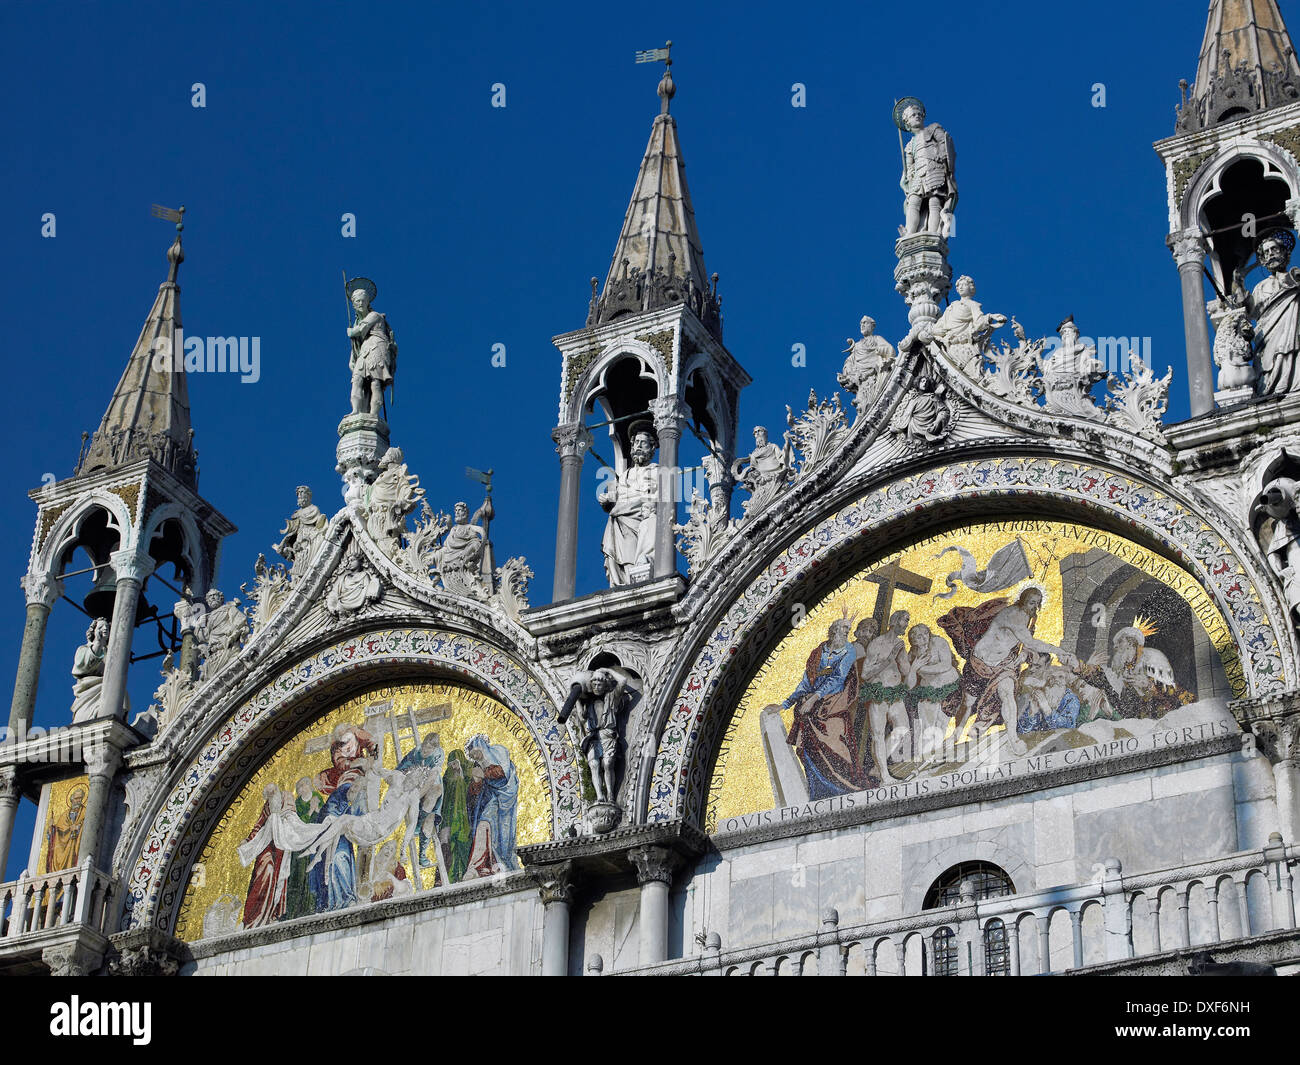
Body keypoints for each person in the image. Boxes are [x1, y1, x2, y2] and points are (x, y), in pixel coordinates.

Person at [938, 587, 1078, 755]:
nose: (1034, 605)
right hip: (980, 663)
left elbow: (1025, 643)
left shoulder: (1029, 617)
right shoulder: (1013, 615)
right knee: (967, 702)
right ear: (1022, 600)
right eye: (1031, 602)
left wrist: (1023, 655)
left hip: (1003, 664)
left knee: (1007, 694)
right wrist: (1058, 650)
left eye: (1037, 603)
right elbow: (1031, 641)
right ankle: (955, 735)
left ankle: (1014, 739)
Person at [782, 618, 864, 797]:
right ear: (833, 630)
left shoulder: (848, 650)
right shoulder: (818, 651)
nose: (846, 632)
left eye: (848, 630)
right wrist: (785, 704)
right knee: (808, 745)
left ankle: (845, 786)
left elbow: (839, 678)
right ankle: (818, 790)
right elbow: (806, 681)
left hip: (833, 701)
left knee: (835, 738)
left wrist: (815, 698)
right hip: (812, 702)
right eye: (843, 628)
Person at [856, 610, 916, 783]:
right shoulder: (877, 643)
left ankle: (877, 767)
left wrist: (912, 662)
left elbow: (905, 670)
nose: (906, 624)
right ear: (895, 621)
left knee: (903, 728)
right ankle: (884, 776)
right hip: (878, 694)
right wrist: (889, 659)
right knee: (878, 734)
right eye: (905, 620)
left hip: (895, 693)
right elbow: (866, 673)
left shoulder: (900, 644)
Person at [558, 669, 632, 804]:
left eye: (600, 684)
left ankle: (610, 795)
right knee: (594, 764)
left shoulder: (612, 698)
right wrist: (578, 698)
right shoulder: (587, 702)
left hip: (607, 735)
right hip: (593, 737)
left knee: (608, 763)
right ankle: (599, 796)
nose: (597, 687)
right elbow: (581, 717)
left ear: (605, 686)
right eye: (594, 684)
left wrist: (607, 671)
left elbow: (622, 681)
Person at [599, 426, 660, 585]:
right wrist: (607, 499)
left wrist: (620, 505)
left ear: (652, 447)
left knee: (639, 542)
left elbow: (653, 497)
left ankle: (637, 575)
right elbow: (617, 494)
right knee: (622, 551)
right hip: (621, 520)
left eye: (643, 443)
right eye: (636, 443)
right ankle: (624, 581)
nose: (638, 446)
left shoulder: (656, 471)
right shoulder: (626, 474)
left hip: (639, 517)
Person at [1246, 231, 1300, 396]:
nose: (1271, 254)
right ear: (1263, 260)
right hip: (1268, 337)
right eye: (1267, 252)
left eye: (1274, 249)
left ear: (1284, 253)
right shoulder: (1260, 287)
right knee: (1270, 362)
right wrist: (1239, 287)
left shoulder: (1296, 276)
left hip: (1294, 327)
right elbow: (1250, 311)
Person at [897, 98, 957, 237]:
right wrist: (909, 176)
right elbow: (909, 166)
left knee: (934, 202)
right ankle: (910, 232)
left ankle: (932, 233)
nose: (917, 116)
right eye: (913, 115)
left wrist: (943, 157)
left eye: (919, 114)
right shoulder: (909, 145)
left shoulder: (933, 129)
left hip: (934, 170)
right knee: (913, 201)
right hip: (918, 176)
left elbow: (944, 142)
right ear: (907, 123)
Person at [462, 735, 520, 878]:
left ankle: (500, 864)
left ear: (481, 745)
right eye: (472, 755)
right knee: (483, 824)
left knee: (504, 836)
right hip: (492, 800)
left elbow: (504, 773)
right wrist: (475, 782)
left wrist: (484, 774)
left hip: (507, 799)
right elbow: (475, 792)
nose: (475, 756)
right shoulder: (478, 765)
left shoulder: (499, 751)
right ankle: (477, 866)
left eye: (476, 752)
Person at [929, 276, 1007, 376]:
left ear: (971, 288)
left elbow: (979, 323)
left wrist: (991, 317)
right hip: (949, 347)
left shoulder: (973, 305)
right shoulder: (953, 306)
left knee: (972, 376)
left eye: (964, 285)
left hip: (964, 349)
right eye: (959, 285)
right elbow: (940, 326)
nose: (961, 287)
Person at [906, 624, 961, 750]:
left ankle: (935, 754)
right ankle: (926, 756)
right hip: (929, 690)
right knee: (927, 725)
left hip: (949, 687)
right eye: (919, 636)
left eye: (925, 633)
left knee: (942, 721)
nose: (924, 637)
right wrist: (913, 669)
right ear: (913, 640)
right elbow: (909, 684)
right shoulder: (912, 654)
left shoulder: (939, 642)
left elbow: (946, 665)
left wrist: (921, 668)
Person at [346, 277, 396, 416]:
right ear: (354, 305)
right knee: (357, 380)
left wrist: (350, 331)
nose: (361, 303)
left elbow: (361, 330)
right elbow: (357, 344)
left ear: (368, 302)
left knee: (375, 383)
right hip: (365, 350)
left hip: (377, 347)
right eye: (357, 301)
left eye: (363, 301)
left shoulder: (375, 316)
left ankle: (373, 414)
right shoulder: (357, 322)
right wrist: (352, 358)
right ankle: (356, 411)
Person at [838, 316, 896, 413]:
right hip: (861, 380)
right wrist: (848, 373)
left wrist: (879, 350)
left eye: (865, 323)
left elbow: (890, 350)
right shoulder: (857, 345)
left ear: (872, 326)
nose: (862, 325)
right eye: (861, 323)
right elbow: (849, 361)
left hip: (874, 377)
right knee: (862, 407)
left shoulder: (877, 339)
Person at [273, 486, 328, 572]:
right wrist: (283, 543)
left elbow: (320, 525)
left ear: (308, 495)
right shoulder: (297, 513)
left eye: (302, 492)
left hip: (311, 536)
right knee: (300, 558)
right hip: (300, 538)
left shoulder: (314, 509)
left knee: (310, 557)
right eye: (298, 493)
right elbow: (293, 532)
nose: (300, 495)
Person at [70, 619, 110, 722]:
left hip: (108, 688)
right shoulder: (83, 650)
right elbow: (87, 665)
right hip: (89, 692)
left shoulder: (111, 652)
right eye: (101, 627)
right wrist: (98, 642)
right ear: (94, 631)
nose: (105, 629)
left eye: (107, 627)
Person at [45, 785, 87, 873]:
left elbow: (86, 824)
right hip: (63, 845)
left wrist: (78, 827)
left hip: (74, 844)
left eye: (80, 798)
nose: (78, 800)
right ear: (72, 799)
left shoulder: (84, 811)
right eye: (76, 798)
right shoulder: (65, 814)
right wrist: (51, 828)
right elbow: (59, 828)